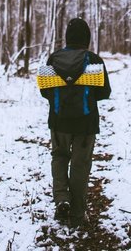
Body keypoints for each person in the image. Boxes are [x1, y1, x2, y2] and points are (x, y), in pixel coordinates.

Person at [37, 17, 111, 228]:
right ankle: (78, 213)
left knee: (59, 157)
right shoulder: (94, 60)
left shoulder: (54, 58)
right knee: (81, 165)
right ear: (87, 38)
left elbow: (45, 91)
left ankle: (61, 199)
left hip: (59, 121)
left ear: (67, 37)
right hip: (86, 124)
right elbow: (105, 92)